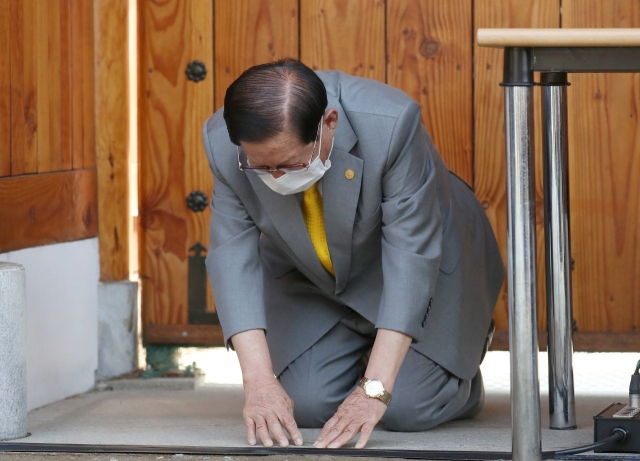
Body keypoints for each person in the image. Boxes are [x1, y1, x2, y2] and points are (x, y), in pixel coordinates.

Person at [201, 58, 504, 449]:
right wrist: (258, 382)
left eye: (291, 163)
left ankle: (453, 371)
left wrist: (372, 390)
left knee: (405, 407)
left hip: (421, 260)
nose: (276, 178)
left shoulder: (391, 123)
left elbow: (410, 255)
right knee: (306, 405)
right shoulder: (224, 142)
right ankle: (369, 355)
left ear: (329, 124)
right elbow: (232, 260)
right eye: (262, 168)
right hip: (317, 273)